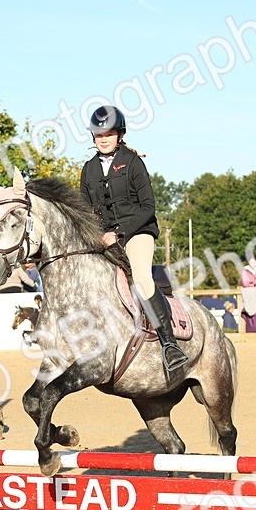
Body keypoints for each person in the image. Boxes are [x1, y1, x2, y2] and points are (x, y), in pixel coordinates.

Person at [79, 104, 186, 373]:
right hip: (104, 237)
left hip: (137, 232)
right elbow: (83, 210)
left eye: (109, 134)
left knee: (140, 279)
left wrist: (119, 233)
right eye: (99, 134)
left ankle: (169, 344)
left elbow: (148, 207)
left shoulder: (133, 163)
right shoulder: (89, 169)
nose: (103, 138)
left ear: (120, 135)